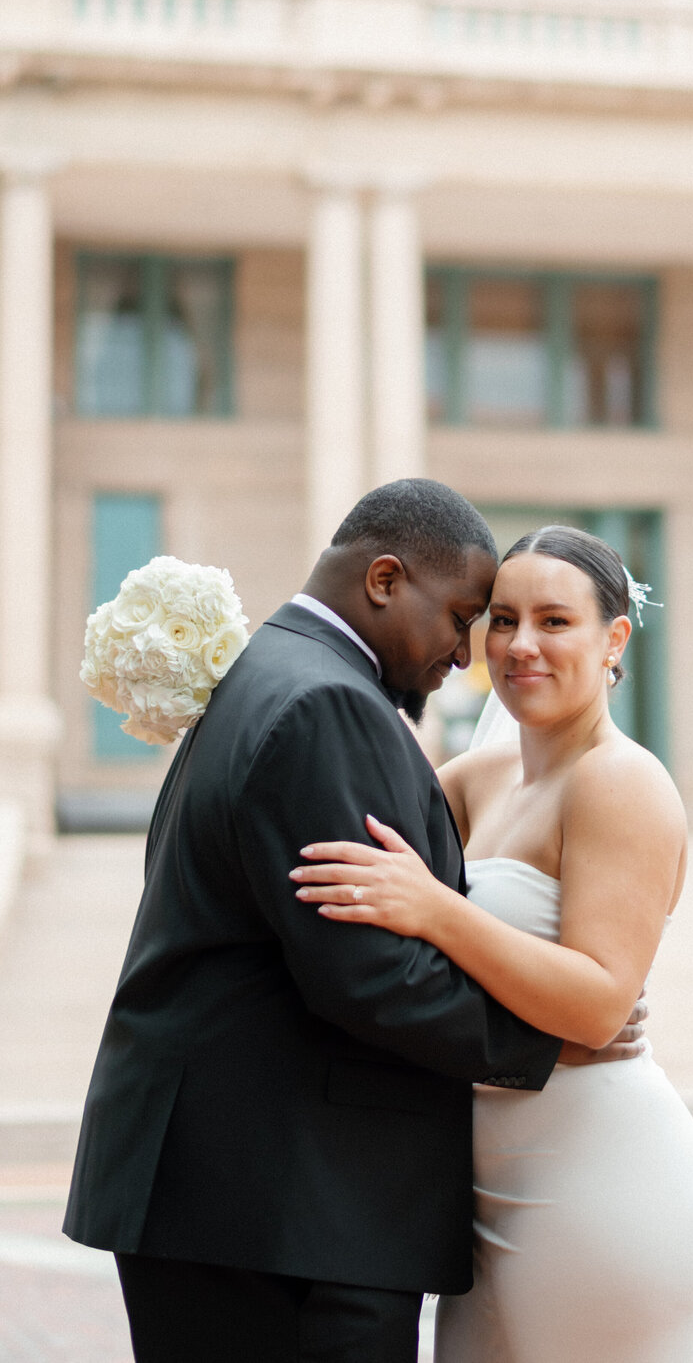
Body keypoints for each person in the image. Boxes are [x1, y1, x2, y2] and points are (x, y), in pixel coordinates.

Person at [64, 481, 643, 1363]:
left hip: (239, 1202)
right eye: (462, 618)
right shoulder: (326, 704)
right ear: (383, 581)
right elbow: (370, 974)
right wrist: (553, 1040)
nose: (465, 655)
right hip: (282, 1213)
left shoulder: (271, 672)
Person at [291, 524, 693, 1362]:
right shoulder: (472, 779)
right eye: (501, 619)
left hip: (602, 1190)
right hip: (488, 1190)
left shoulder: (620, 780)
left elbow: (599, 1004)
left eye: (555, 622)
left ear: (614, 638)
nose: (520, 645)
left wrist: (438, 912)